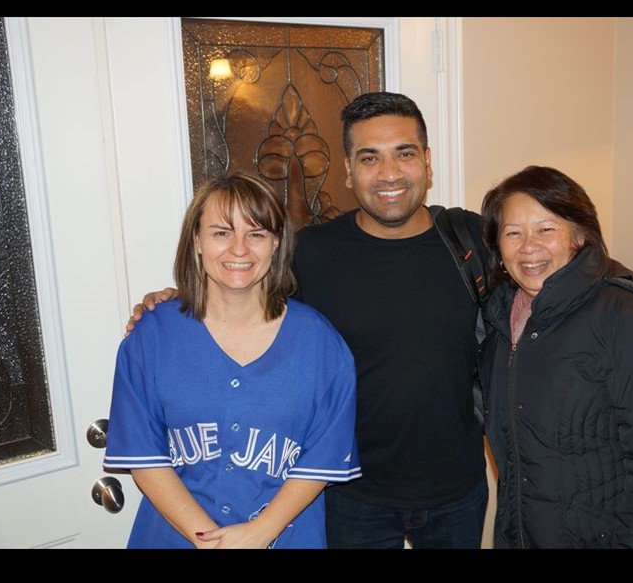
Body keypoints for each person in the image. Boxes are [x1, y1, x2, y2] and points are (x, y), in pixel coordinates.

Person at [128, 92, 489, 549]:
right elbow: (245, 278)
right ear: (347, 169)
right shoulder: (311, 252)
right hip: (347, 493)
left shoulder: (473, 242)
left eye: (405, 154)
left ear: (428, 161)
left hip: (455, 490)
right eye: (369, 158)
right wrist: (175, 300)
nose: (389, 173)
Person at [104, 172, 360, 549]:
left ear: (276, 244)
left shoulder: (322, 344)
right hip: (175, 537)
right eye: (221, 233)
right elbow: (145, 458)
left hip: (284, 537)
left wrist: (259, 533)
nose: (239, 249)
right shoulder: (151, 337)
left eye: (255, 234)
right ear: (197, 241)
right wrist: (211, 542)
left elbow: (323, 458)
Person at [478, 165, 633, 548]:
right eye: (513, 233)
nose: (529, 246)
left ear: (579, 236)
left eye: (546, 229)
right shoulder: (499, 324)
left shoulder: (626, 317)